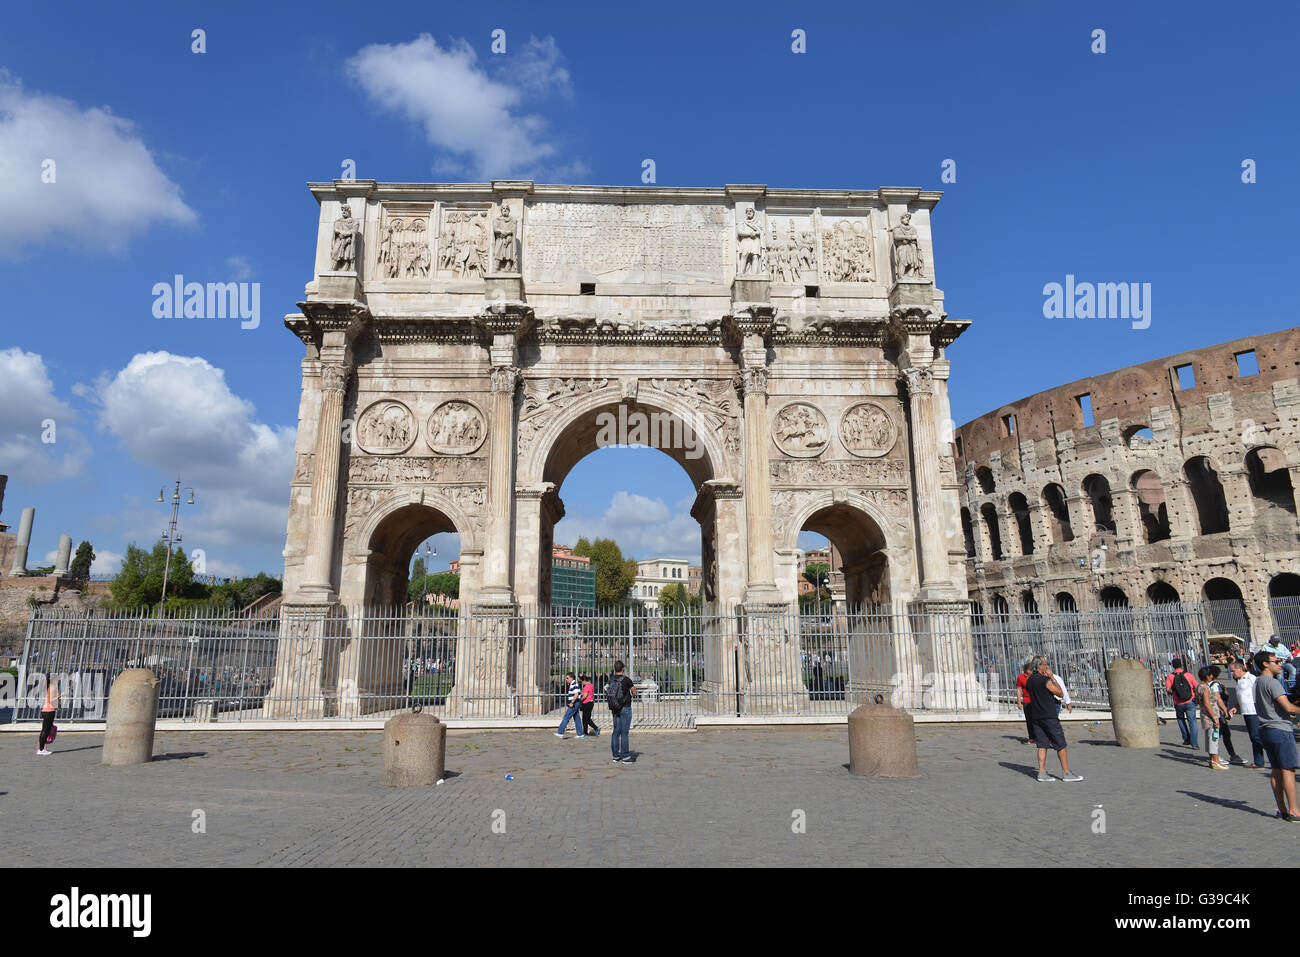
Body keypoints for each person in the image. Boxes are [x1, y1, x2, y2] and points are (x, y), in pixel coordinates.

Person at [1252, 650, 1300, 821]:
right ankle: (1294, 810)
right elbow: (1287, 707)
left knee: (1276, 770)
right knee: (1288, 769)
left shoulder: (1257, 682)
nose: (1280, 664)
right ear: (1265, 664)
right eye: (1276, 661)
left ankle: (1282, 809)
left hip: (1266, 728)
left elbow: (1271, 706)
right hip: (1280, 729)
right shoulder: (1273, 683)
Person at [1025, 656, 1083, 782]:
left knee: (1042, 744)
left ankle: (1041, 772)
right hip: (1048, 715)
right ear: (1039, 666)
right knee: (1060, 743)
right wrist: (1051, 677)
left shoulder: (1029, 680)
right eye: (1045, 664)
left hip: (1036, 716)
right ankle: (1066, 772)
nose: (1047, 666)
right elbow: (1060, 693)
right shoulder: (1045, 680)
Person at [1228, 658, 1265, 768]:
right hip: (1246, 712)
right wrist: (1236, 707)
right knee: (1253, 737)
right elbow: (1242, 696)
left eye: (1233, 671)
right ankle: (1259, 761)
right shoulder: (1239, 681)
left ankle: (1275, 753)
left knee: (1256, 736)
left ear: (1240, 669)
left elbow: (1259, 693)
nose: (1232, 673)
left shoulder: (1251, 678)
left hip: (1253, 711)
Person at [1196, 666, 1228, 771]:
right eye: (1211, 675)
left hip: (1205, 716)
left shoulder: (1199, 686)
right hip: (1210, 716)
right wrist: (1214, 718)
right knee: (1214, 737)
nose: (1212, 677)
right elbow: (1207, 703)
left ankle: (1212, 759)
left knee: (1210, 737)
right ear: (1207, 676)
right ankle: (1215, 760)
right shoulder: (1205, 687)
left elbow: (1198, 701)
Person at [606, 660, 639, 764]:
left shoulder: (611, 680)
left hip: (615, 707)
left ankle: (615, 756)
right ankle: (625, 756)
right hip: (625, 707)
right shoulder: (626, 680)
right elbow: (634, 691)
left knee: (616, 731)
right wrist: (634, 693)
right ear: (623, 669)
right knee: (624, 732)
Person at [1206, 665, 1240, 764]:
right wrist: (1225, 711)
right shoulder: (1216, 685)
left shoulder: (1209, 685)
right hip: (1218, 713)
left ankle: (1229, 754)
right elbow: (1218, 699)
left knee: (1223, 734)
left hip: (1215, 712)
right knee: (1217, 734)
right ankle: (1216, 756)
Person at [1165, 658, 1199, 747]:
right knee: (1192, 722)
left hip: (1178, 702)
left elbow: (1168, 689)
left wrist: (1173, 693)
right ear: (1181, 665)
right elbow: (1196, 686)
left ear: (1173, 666)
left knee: (1180, 720)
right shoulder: (1189, 675)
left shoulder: (1170, 676)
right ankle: (1194, 743)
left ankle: (1186, 739)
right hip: (1190, 700)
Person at [553, 672, 587, 739]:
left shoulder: (574, 684)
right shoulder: (573, 684)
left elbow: (576, 694)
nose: (566, 679)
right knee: (577, 718)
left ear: (571, 678)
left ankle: (560, 732)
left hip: (574, 703)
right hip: (575, 703)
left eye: (567, 678)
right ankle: (580, 734)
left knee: (566, 717)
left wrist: (572, 702)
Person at [37, 674, 61, 756]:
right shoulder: (53, 687)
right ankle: (41, 749)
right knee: (45, 731)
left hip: (46, 710)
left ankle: (42, 748)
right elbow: (51, 700)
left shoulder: (49, 686)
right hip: (49, 711)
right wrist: (60, 696)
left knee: (45, 730)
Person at [1015, 659, 1035, 744]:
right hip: (1027, 700)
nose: (1032, 671)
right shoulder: (1020, 677)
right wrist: (1019, 702)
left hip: (1036, 700)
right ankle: (1031, 737)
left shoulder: (1035, 676)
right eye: (1031, 670)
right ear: (1026, 670)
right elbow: (1019, 689)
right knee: (1029, 720)